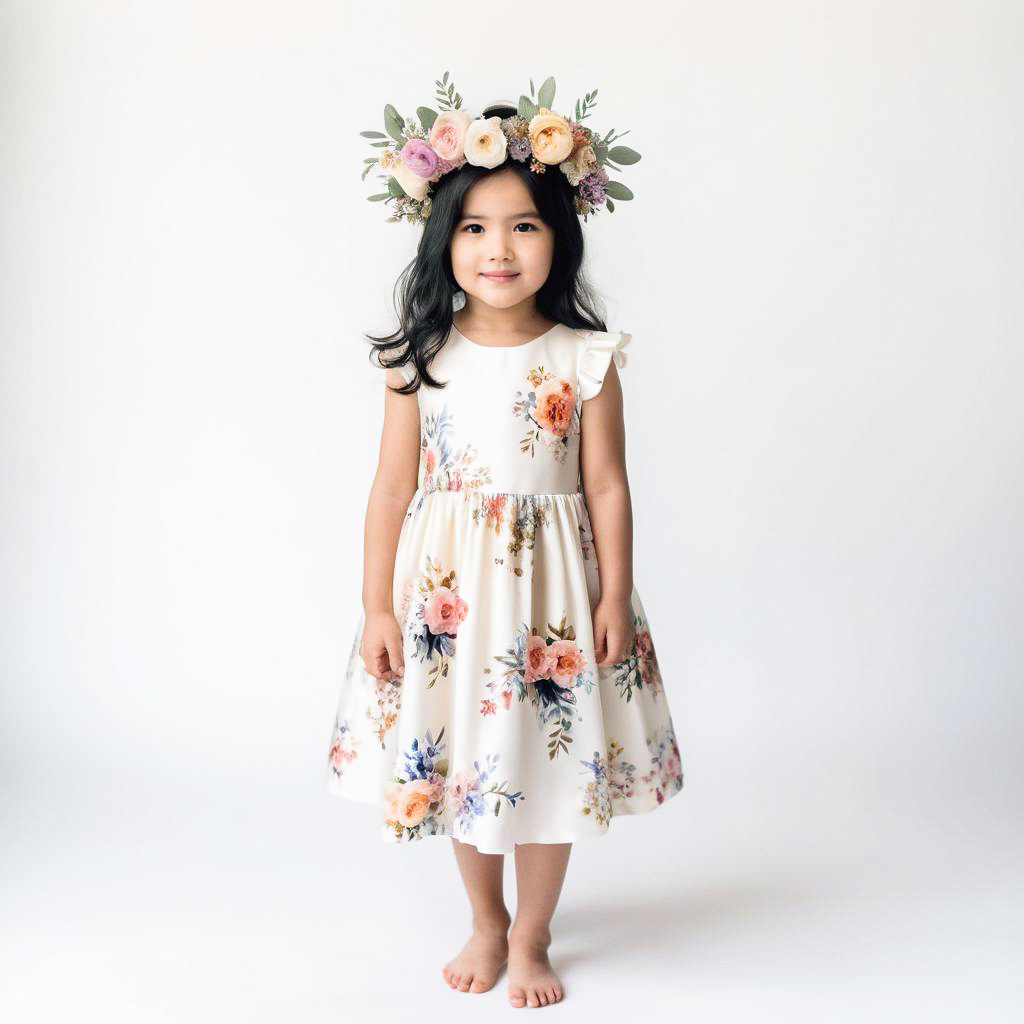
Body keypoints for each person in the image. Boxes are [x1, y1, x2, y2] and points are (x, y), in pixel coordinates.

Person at [325, 78, 684, 1009]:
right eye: (476, 227)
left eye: (524, 226)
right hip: (449, 598)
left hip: (556, 599)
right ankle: (484, 920)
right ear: (443, 238)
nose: (498, 248)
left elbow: (605, 482)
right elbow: (392, 489)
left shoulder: (584, 356)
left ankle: (533, 935)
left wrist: (613, 597)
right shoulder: (422, 361)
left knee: (547, 764)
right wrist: (375, 605)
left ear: (559, 237)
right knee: (459, 755)